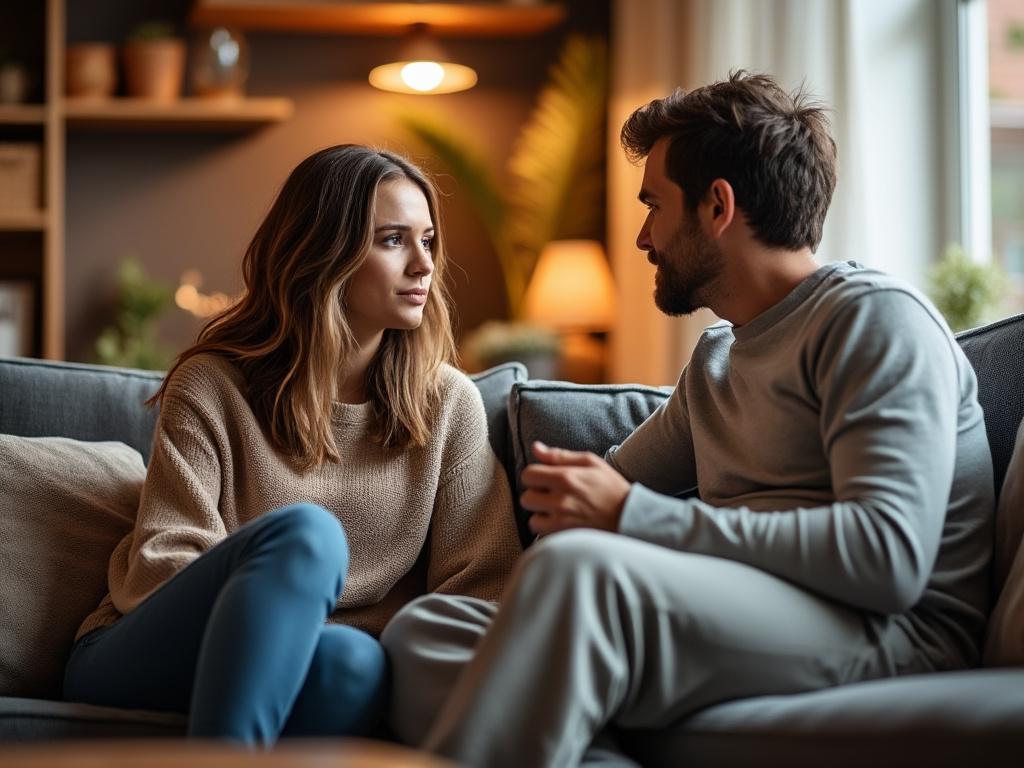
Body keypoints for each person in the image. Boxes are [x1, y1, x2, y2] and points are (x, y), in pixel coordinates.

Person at [380, 71, 995, 766]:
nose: (643, 237)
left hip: (890, 631)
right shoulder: (718, 364)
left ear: (718, 207)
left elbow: (886, 559)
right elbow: (597, 488)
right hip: (749, 612)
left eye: (654, 205)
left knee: (583, 574)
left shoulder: (873, 321)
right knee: (431, 628)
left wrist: (636, 519)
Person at [63, 145, 522, 746]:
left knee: (353, 666)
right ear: (323, 252)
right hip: (147, 646)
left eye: (428, 240)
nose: (423, 265)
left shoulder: (446, 406)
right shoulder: (213, 385)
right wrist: (282, 609)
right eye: (391, 240)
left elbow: (482, 588)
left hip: (327, 660)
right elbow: (162, 562)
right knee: (308, 536)